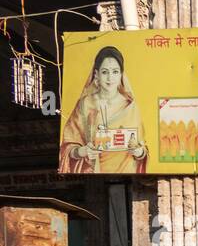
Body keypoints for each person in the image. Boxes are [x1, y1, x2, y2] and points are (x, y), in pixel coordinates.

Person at [59, 46, 148, 174]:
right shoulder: (85, 104)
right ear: (97, 74)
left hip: (127, 172)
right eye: (105, 72)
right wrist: (82, 151)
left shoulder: (130, 106)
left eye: (115, 72)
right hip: (93, 173)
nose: (110, 78)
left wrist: (138, 152)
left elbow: (142, 148)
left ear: (121, 75)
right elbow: (68, 146)